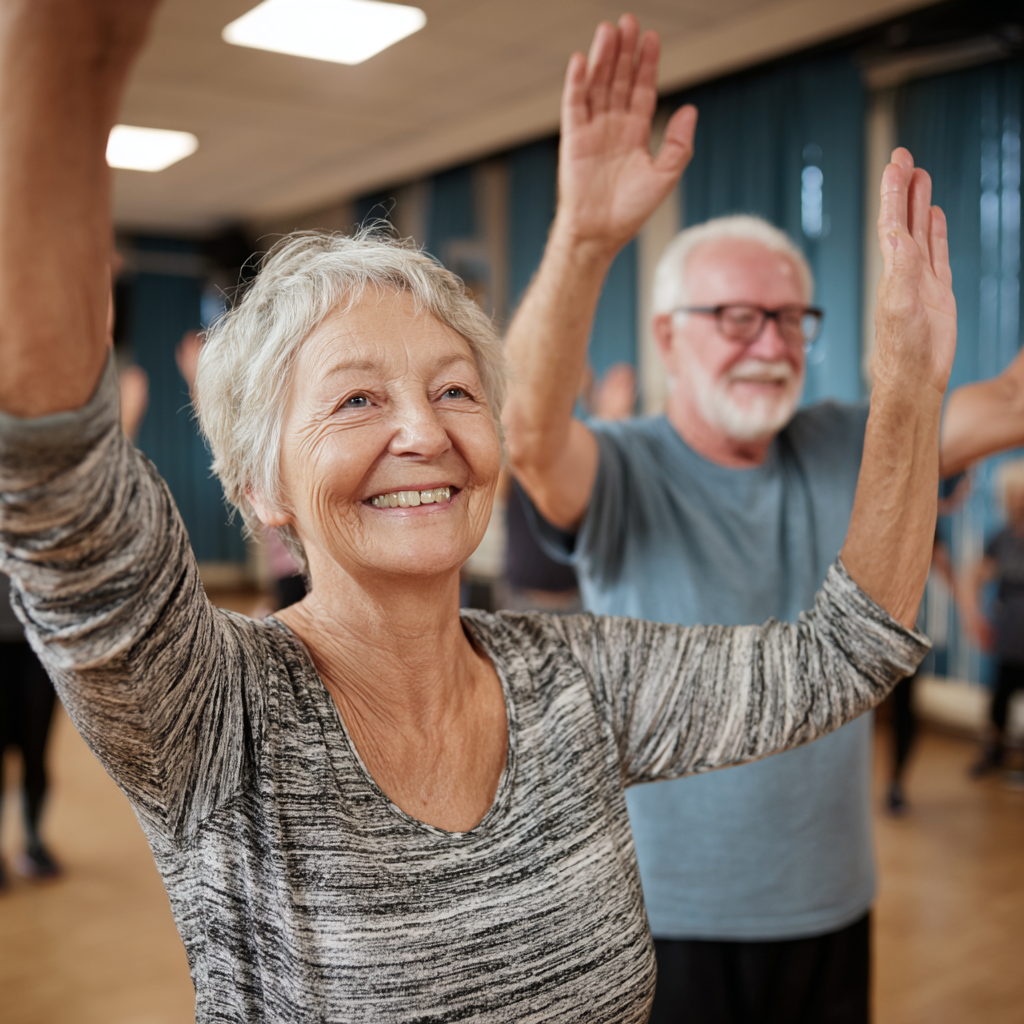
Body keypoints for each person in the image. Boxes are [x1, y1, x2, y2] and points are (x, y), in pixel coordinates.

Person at [0, 4, 947, 1021]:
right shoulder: (217, 716)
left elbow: (841, 656)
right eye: (359, 398)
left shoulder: (570, 682)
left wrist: (907, 386)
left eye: (455, 390)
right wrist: (74, 42)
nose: (426, 432)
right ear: (258, 487)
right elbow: (51, 457)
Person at [502, 16, 1024, 1023]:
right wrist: (583, 236)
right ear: (666, 334)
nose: (769, 342)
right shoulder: (625, 468)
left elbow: (1002, 403)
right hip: (657, 914)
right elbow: (527, 431)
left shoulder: (842, 441)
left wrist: (919, 365)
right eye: (736, 317)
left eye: (791, 318)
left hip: (825, 905)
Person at [961, 459, 1024, 779]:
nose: (1016, 501)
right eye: (1012, 494)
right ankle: (995, 753)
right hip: (1009, 633)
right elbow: (974, 576)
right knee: (999, 699)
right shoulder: (1001, 538)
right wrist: (973, 616)